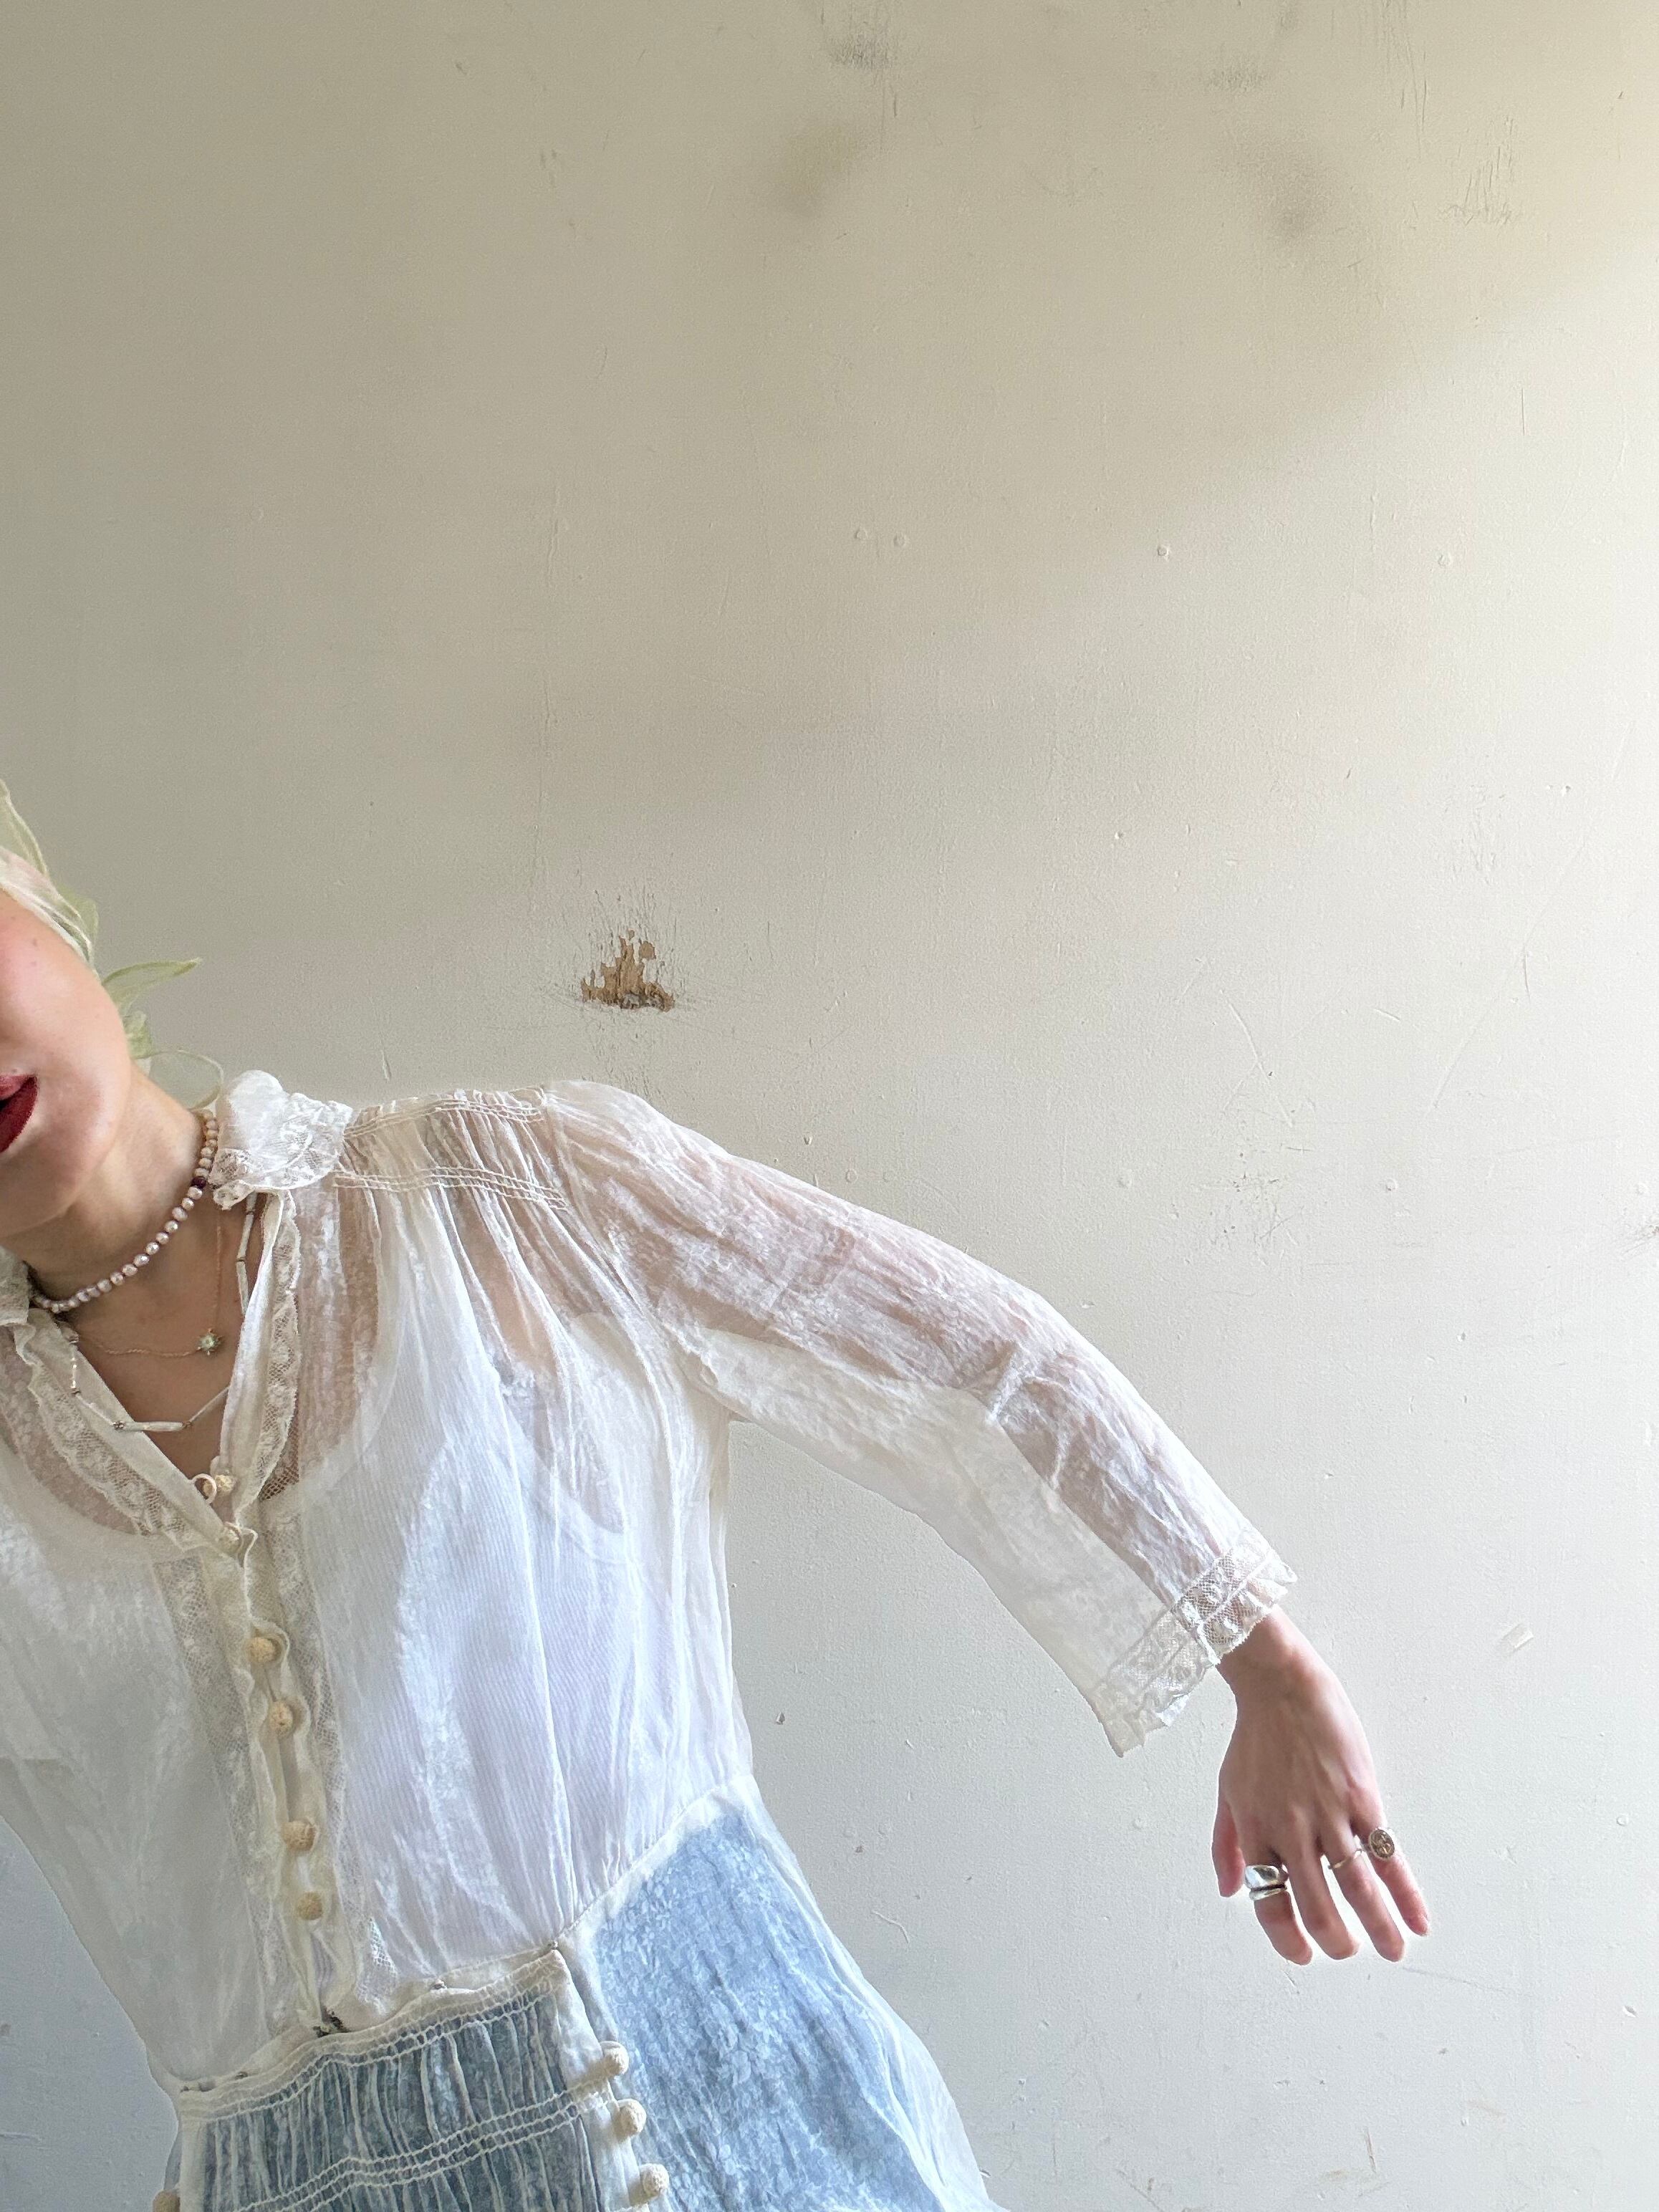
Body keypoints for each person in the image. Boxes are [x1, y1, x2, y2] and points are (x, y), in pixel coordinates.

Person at [0, 783, 1428, 2212]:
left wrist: (1266, 1666)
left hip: (740, 2136)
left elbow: (969, 1356)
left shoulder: (495, 1197)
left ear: (44, 908)